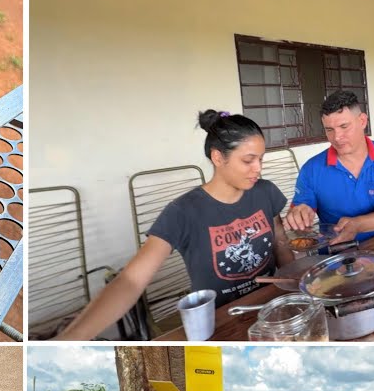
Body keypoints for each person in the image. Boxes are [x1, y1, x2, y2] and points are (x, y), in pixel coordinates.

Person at [57, 110, 295, 340]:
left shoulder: (266, 192)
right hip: (221, 321)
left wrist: (298, 289)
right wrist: (73, 337)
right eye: (248, 160)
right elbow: (130, 281)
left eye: (260, 159)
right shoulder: (183, 212)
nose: (258, 169)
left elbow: (280, 243)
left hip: (271, 306)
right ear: (218, 157)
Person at [284, 90, 374, 244]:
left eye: (344, 126)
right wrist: (297, 218)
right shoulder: (311, 169)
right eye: (329, 130)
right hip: (338, 252)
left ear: (362, 121)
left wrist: (357, 225)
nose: (337, 137)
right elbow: (299, 216)